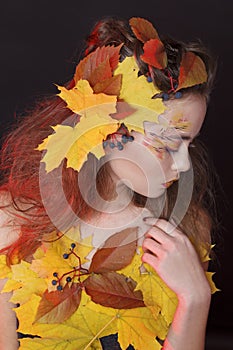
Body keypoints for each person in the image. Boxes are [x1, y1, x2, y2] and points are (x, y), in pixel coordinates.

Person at [0, 16, 219, 350]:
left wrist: (195, 298)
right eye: (166, 145)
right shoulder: (13, 222)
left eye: (190, 144)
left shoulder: (187, 227)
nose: (183, 165)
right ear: (105, 128)